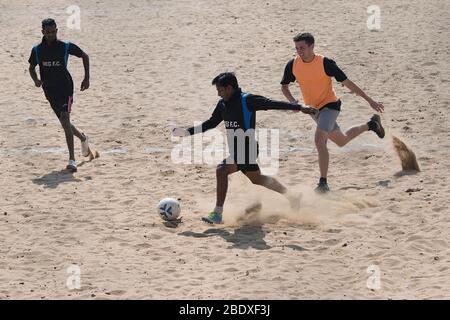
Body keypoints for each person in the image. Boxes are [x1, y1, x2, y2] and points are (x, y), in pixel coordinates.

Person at [172, 72, 317, 224]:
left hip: (248, 148)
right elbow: (211, 123)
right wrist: (187, 132)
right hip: (237, 150)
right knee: (257, 179)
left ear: (229, 88)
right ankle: (292, 197)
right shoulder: (223, 104)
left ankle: (217, 213)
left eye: (220, 90)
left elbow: (271, 104)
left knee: (221, 169)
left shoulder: (247, 100)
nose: (218, 94)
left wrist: (299, 107)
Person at [280, 33, 385, 193]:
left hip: (330, 105)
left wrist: (369, 100)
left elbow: (348, 83)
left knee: (319, 139)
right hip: (313, 109)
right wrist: (293, 102)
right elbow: (284, 86)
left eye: (302, 48)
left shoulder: (325, 63)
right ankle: (371, 125)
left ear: (312, 46)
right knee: (341, 141)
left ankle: (323, 182)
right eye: (296, 48)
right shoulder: (292, 65)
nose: (299, 51)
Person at [28, 18, 92, 172]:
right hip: (50, 91)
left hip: (65, 88)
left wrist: (86, 78)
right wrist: (36, 79)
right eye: (47, 32)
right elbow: (31, 67)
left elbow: (85, 56)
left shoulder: (65, 46)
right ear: (42, 32)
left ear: (57, 31)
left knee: (65, 118)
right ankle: (83, 138)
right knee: (65, 123)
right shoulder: (37, 50)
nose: (50, 35)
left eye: (53, 32)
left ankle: (72, 160)